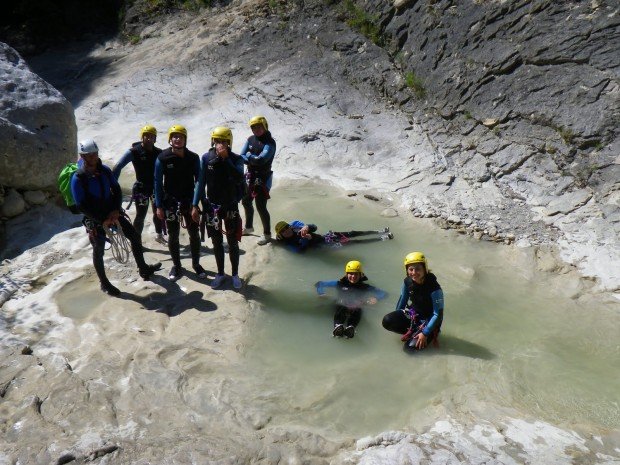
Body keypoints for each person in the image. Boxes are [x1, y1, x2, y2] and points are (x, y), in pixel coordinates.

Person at [71, 138, 161, 296]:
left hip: (111, 211)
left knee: (133, 235)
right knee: (98, 249)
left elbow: (117, 189)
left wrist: (116, 210)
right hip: (94, 217)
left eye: (95, 154)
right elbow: (81, 206)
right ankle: (104, 283)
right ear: (83, 156)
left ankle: (143, 268)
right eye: (90, 155)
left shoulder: (104, 170)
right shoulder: (78, 178)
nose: (94, 157)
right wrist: (101, 219)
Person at [191, 126, 244, 289]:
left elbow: (239, 178)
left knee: (233, 243)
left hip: (230, 207)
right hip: (212, 208)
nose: (219, 144)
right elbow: (201, 182)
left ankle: (235, 275)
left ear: (229, 143)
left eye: (223, 141)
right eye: (217, 141)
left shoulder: (237, 159)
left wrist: (226, 158)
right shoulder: (206, 158)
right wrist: (195, 204)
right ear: (212, 141)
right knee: (216, 242)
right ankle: (221, 273)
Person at [154, 125, 205, 282]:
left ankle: (196, 264)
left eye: (180, 136)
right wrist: (158, 205)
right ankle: (177, 266)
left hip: (189, 201)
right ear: (170, 139)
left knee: (194, 234)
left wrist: (196, 204)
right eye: (174, 136)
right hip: (171, 202)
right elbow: (157, 182)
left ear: (185, 139)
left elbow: (199, 182)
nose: (177, 139)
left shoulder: (193, 157)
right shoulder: (162, 158)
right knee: (173, 235)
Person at [112, 124, 166, 244]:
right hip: (141, 188)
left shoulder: (159, 152)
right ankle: (136, 241)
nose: (149, 138)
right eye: (146, 136)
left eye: (152, 136)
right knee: (141, 215)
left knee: (158, 211)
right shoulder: (134, 152)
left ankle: (159, 235)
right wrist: (112, 185)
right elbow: (118, 166)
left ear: (155, 139)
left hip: (156, 187)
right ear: (142, 137)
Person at [382, 252, 444, 351]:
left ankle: (425, 334)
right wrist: (398, 318)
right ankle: (413, 331)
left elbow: (438, 315)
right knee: (388, 321)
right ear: (407, 270)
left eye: (418, 269)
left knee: (409, 350)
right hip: (414, 315)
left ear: (425, 269)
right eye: (411, 269)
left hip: (429, 321)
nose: (414, 273)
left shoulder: (434, 288)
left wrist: (425, 333)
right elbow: (402, 300)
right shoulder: (407, 282)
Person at [315, 260, 386, 338]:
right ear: (346, 274)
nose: (353, 276)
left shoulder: (365, 287)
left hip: (355, 307)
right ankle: (337, 326)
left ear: (360, 275)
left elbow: (383, 293)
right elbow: (319, 284)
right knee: (341, 305)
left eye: (356, 274)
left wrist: (376, 298)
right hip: (340, 306)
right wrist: (321, 293)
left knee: (358, 308)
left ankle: (351, 328)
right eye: (351, 274)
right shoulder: (339, 284)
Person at [240, 115, 276, 246]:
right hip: (250, 176)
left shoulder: (270, 142)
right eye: (253, 127)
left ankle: (267, 234)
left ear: (265, 126)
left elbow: (261, 160)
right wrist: (251, 157)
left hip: (263, 178)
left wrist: (249, 155)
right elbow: (241, 156)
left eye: (259, 127)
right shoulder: (250, 139)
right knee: (246, 201)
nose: (256, 130)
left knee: (261, 206)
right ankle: (249, 227)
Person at [274, 220, 393, 253]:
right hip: (324, 246)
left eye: (286, 227)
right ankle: (381, 239)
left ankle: (378, 231)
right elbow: (300, 252)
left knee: (351, 233)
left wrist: (306, 226)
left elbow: (314, 227)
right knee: (353, 242)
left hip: (325, 237)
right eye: (283, 231)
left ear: (289, 226)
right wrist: (306, 240)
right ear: (281, 235)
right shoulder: (288, 244)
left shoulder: (295, 225)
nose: (286, 231)